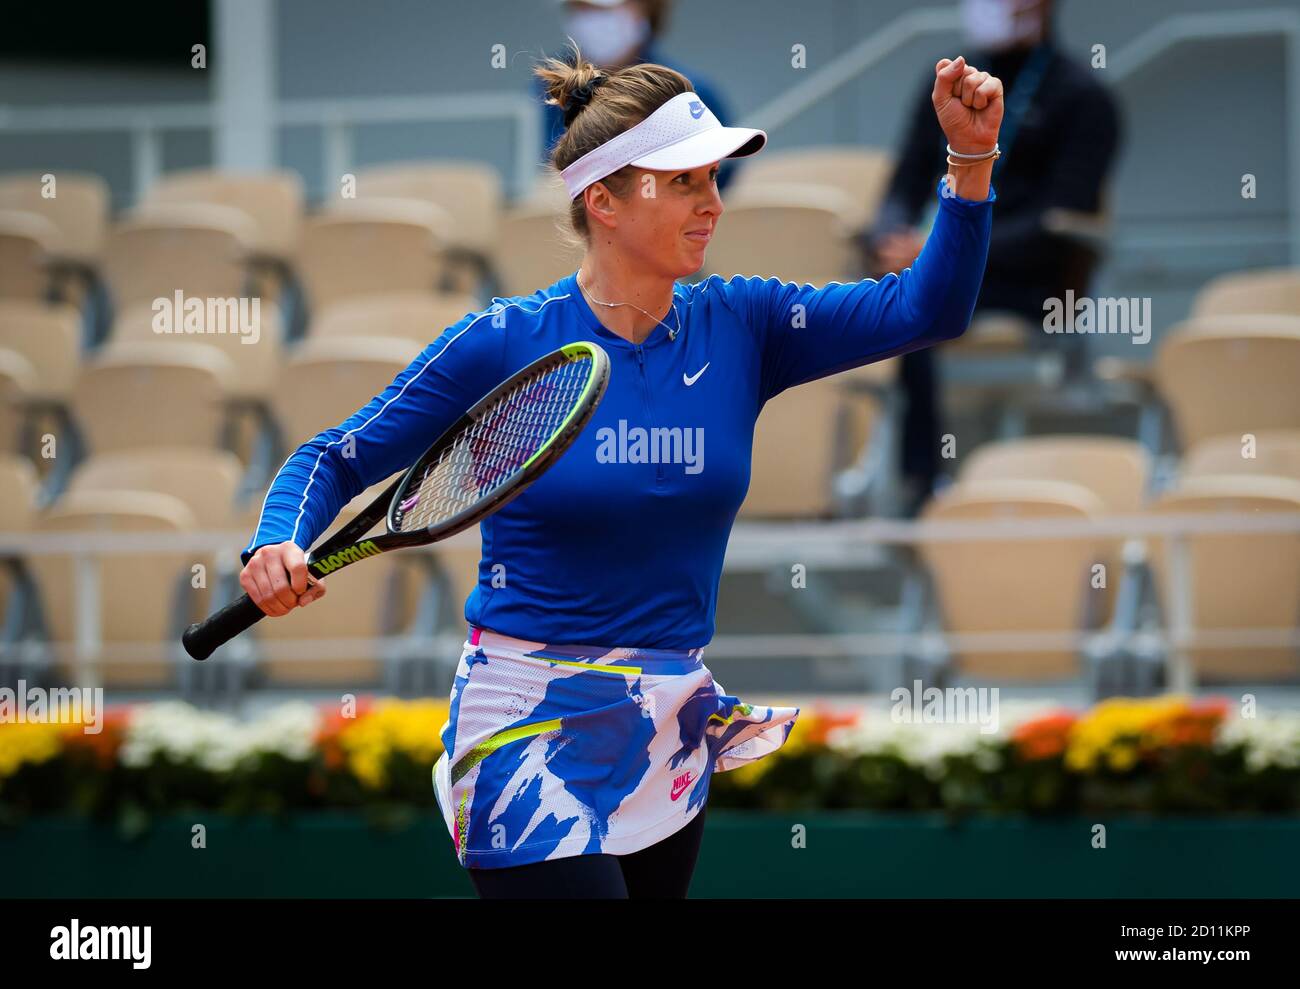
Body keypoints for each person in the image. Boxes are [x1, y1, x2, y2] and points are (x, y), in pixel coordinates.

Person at [238, 44, 1002, 898]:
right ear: (600, 199)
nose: (712, 204)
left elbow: (929, 306)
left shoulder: (744, 322)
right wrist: (278, 543)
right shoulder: (503, 340)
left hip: (666, 717)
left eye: (714, 181)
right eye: (682, 183)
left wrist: (969, 161)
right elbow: (334, 457)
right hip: (523, 719)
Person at [859, 0, 1121, 514]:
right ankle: (849, 478)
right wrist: (888, 237)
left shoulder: (1085, 99)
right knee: (871, 295)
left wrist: (948, 252)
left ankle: (921, 485)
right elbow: (903, 187)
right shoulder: (946, 82)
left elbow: (1057, 226)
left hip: (1024, 280)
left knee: (922, 300)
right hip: (934, 261)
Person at [535, 0, 740, 191]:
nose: (595, 19)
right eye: (583, 8)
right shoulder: (546, 90)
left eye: (608, 10)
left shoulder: (694, 92)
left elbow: (718, 180)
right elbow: (545, 173)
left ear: (647, 9)